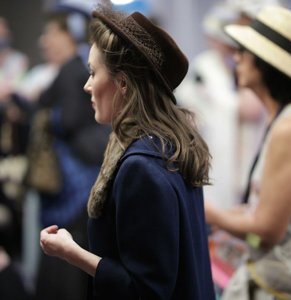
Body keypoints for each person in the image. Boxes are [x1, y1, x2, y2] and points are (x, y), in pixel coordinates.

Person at [40, 5, 216, 300]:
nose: (87, 85)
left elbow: (145, 290)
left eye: (93, 73)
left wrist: (73, 254)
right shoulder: (169, 145)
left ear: (122, 83)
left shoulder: (142, 167)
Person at [205, 5, 291, 299]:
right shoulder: (283, 119)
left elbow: (267, 228)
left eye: (243, 52)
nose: (236, 59)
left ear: (263, 63)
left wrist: (208, 212)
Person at [32, 4, 111, 300]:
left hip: (75, 187)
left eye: (51, 32)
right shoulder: (71, 71)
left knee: (67, 271)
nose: (44, 40)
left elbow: (69, 122)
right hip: (75, 185)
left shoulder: (71, 71)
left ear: (70, 35)